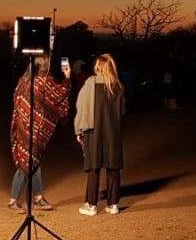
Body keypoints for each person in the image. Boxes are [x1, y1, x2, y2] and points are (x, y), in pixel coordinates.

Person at [8, 55, 72, 212]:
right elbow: (59, 95)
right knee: (27, 160)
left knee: (33, 159)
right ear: (45, 64)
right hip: (34, 128)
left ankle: (38, 198)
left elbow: (17, 100)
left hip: (22, 125)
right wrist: (67, 77)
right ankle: (12, 201)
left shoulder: (24, 80)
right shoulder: (44, 81)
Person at [75, 53, 127, 215]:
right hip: (112, 132)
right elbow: (123, 111)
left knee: (93, 168)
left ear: (98, 67)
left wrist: (79, 130)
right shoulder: (118, 87)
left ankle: (91, 205)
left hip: (93, 131)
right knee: (113, 168)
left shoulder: (90, 84)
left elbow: (81, 108)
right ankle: (113, 205)